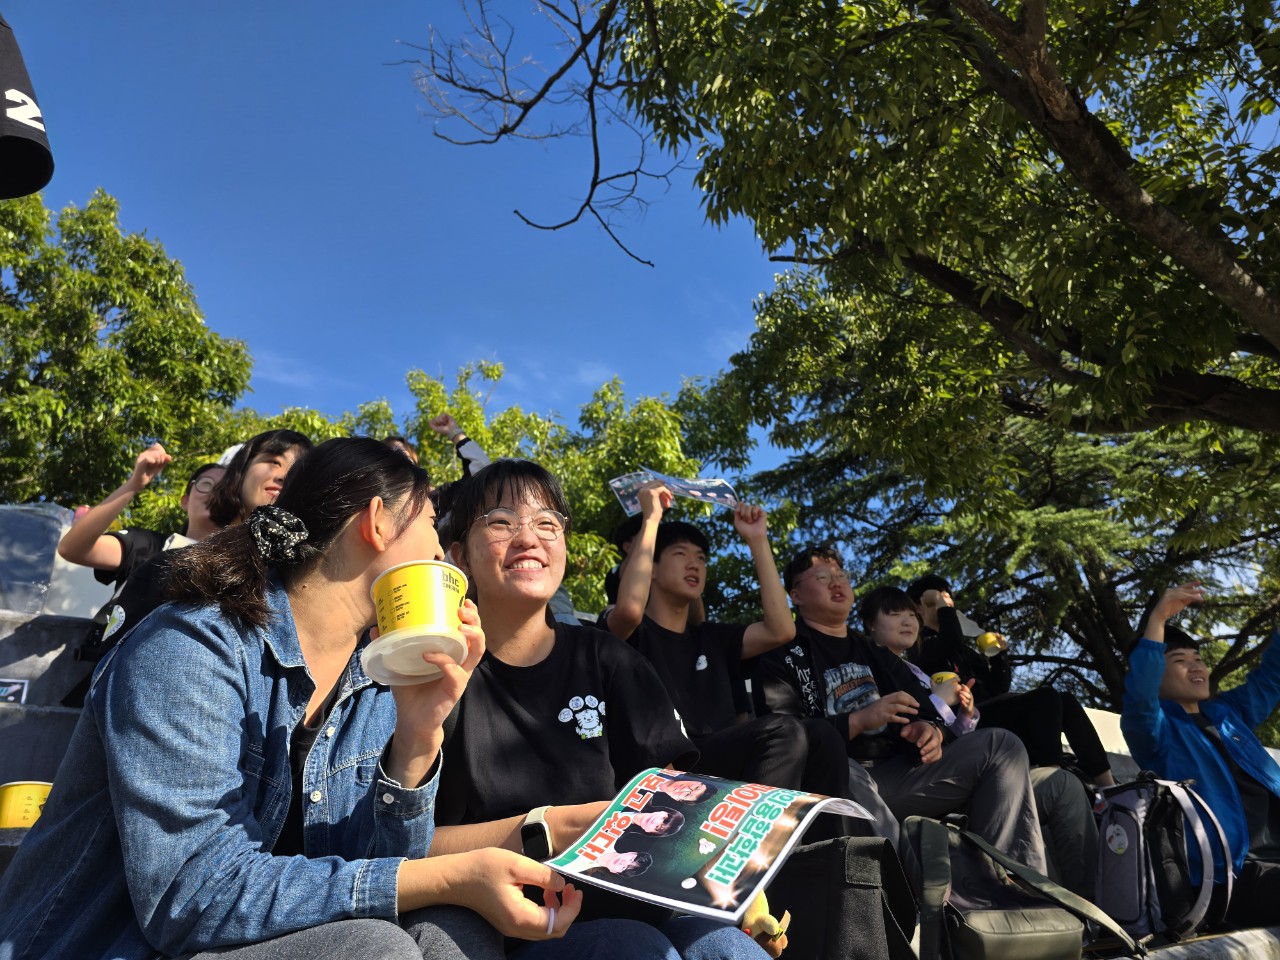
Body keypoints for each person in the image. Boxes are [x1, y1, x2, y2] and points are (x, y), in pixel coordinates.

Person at [0, 437, 581, 960]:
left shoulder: (372, 678)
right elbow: (191, 896)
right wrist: (449, 875)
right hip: (103, 942)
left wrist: (417, 736)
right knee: (374, 949)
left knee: (452, 927)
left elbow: (375, 866)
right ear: (377, 522)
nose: (443, 555)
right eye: (432, 525)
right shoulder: (191, 646)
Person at [433, 458, 769, 960]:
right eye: (501, 522)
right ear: (459, 554)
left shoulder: (609, 658)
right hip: (524, 928)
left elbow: (671, 794)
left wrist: (740, 885)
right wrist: (545, 826)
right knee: (630, 946)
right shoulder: (440, 675)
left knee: (725, 948)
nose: (528, 538)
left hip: (646, 903)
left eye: (547, 524)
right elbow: (412, 845)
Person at [753, 546, 1048, 877]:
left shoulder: (877, 653)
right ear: (795, 595)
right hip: (837, 785)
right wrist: (859, 720)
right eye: (822, 577)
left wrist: (931, 732)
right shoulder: (782, 655)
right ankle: (913, 894)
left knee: (1001, 745)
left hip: (899, 776)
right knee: (841, 766)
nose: (836, 583)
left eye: (841, 575)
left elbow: (930, 713)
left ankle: (1015, 882)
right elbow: (783, 738)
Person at [602, 483, 848, 809]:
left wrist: (757, 540)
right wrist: (651, 518)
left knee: (822, 735)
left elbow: (781, 629)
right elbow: (631, 610)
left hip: (719, 761)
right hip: (666, 771)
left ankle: (827, 840)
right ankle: (752, 839)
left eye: (701, 558)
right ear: (652, 569)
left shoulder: (713, 637)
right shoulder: (632, 633)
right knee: (783, 730)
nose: (694, 564)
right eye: (680, 554)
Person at [862, 585, 1098, 898]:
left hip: (965, 768)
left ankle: (1086, 911)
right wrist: (939, 702)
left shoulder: (918, 672)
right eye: (895, 614)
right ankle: (1017, 899)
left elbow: (955, 733)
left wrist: (965, 714)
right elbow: (907, 736)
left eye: (910, 615)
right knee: (1010, 734)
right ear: (870, 625)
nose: (907, 621)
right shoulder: (870, 666)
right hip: (913, 778)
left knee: (1063, 784)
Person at [1122, 581, 1280, 929]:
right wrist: (1158, 619)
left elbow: (1272, 678)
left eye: (1198, 659)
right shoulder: (1155, 732)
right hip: (1232, 879)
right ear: (1154, 673)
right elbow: (1141, 697)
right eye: (1180, 661)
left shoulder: (1229, 714)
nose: (1196, 667)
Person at [86, 429, 314, 659]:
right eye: (274, 461)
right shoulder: (166, 565)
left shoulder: (305, 578)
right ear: (238, 473)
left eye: (296, 469)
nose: (283, 475)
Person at [908, 574, 1116, 787]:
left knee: (1066, 701)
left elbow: (998, 688)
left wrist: (998, 656)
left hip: (993, 714)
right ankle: (1051, 779)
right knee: (1045, 697)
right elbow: (950, 641)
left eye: (948, 599)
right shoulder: (920, 645)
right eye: (935, 601)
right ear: (918, 609)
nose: (946, 604)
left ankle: (1109, 786)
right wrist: (943, 607)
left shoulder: (963, 650)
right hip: (966, 725)